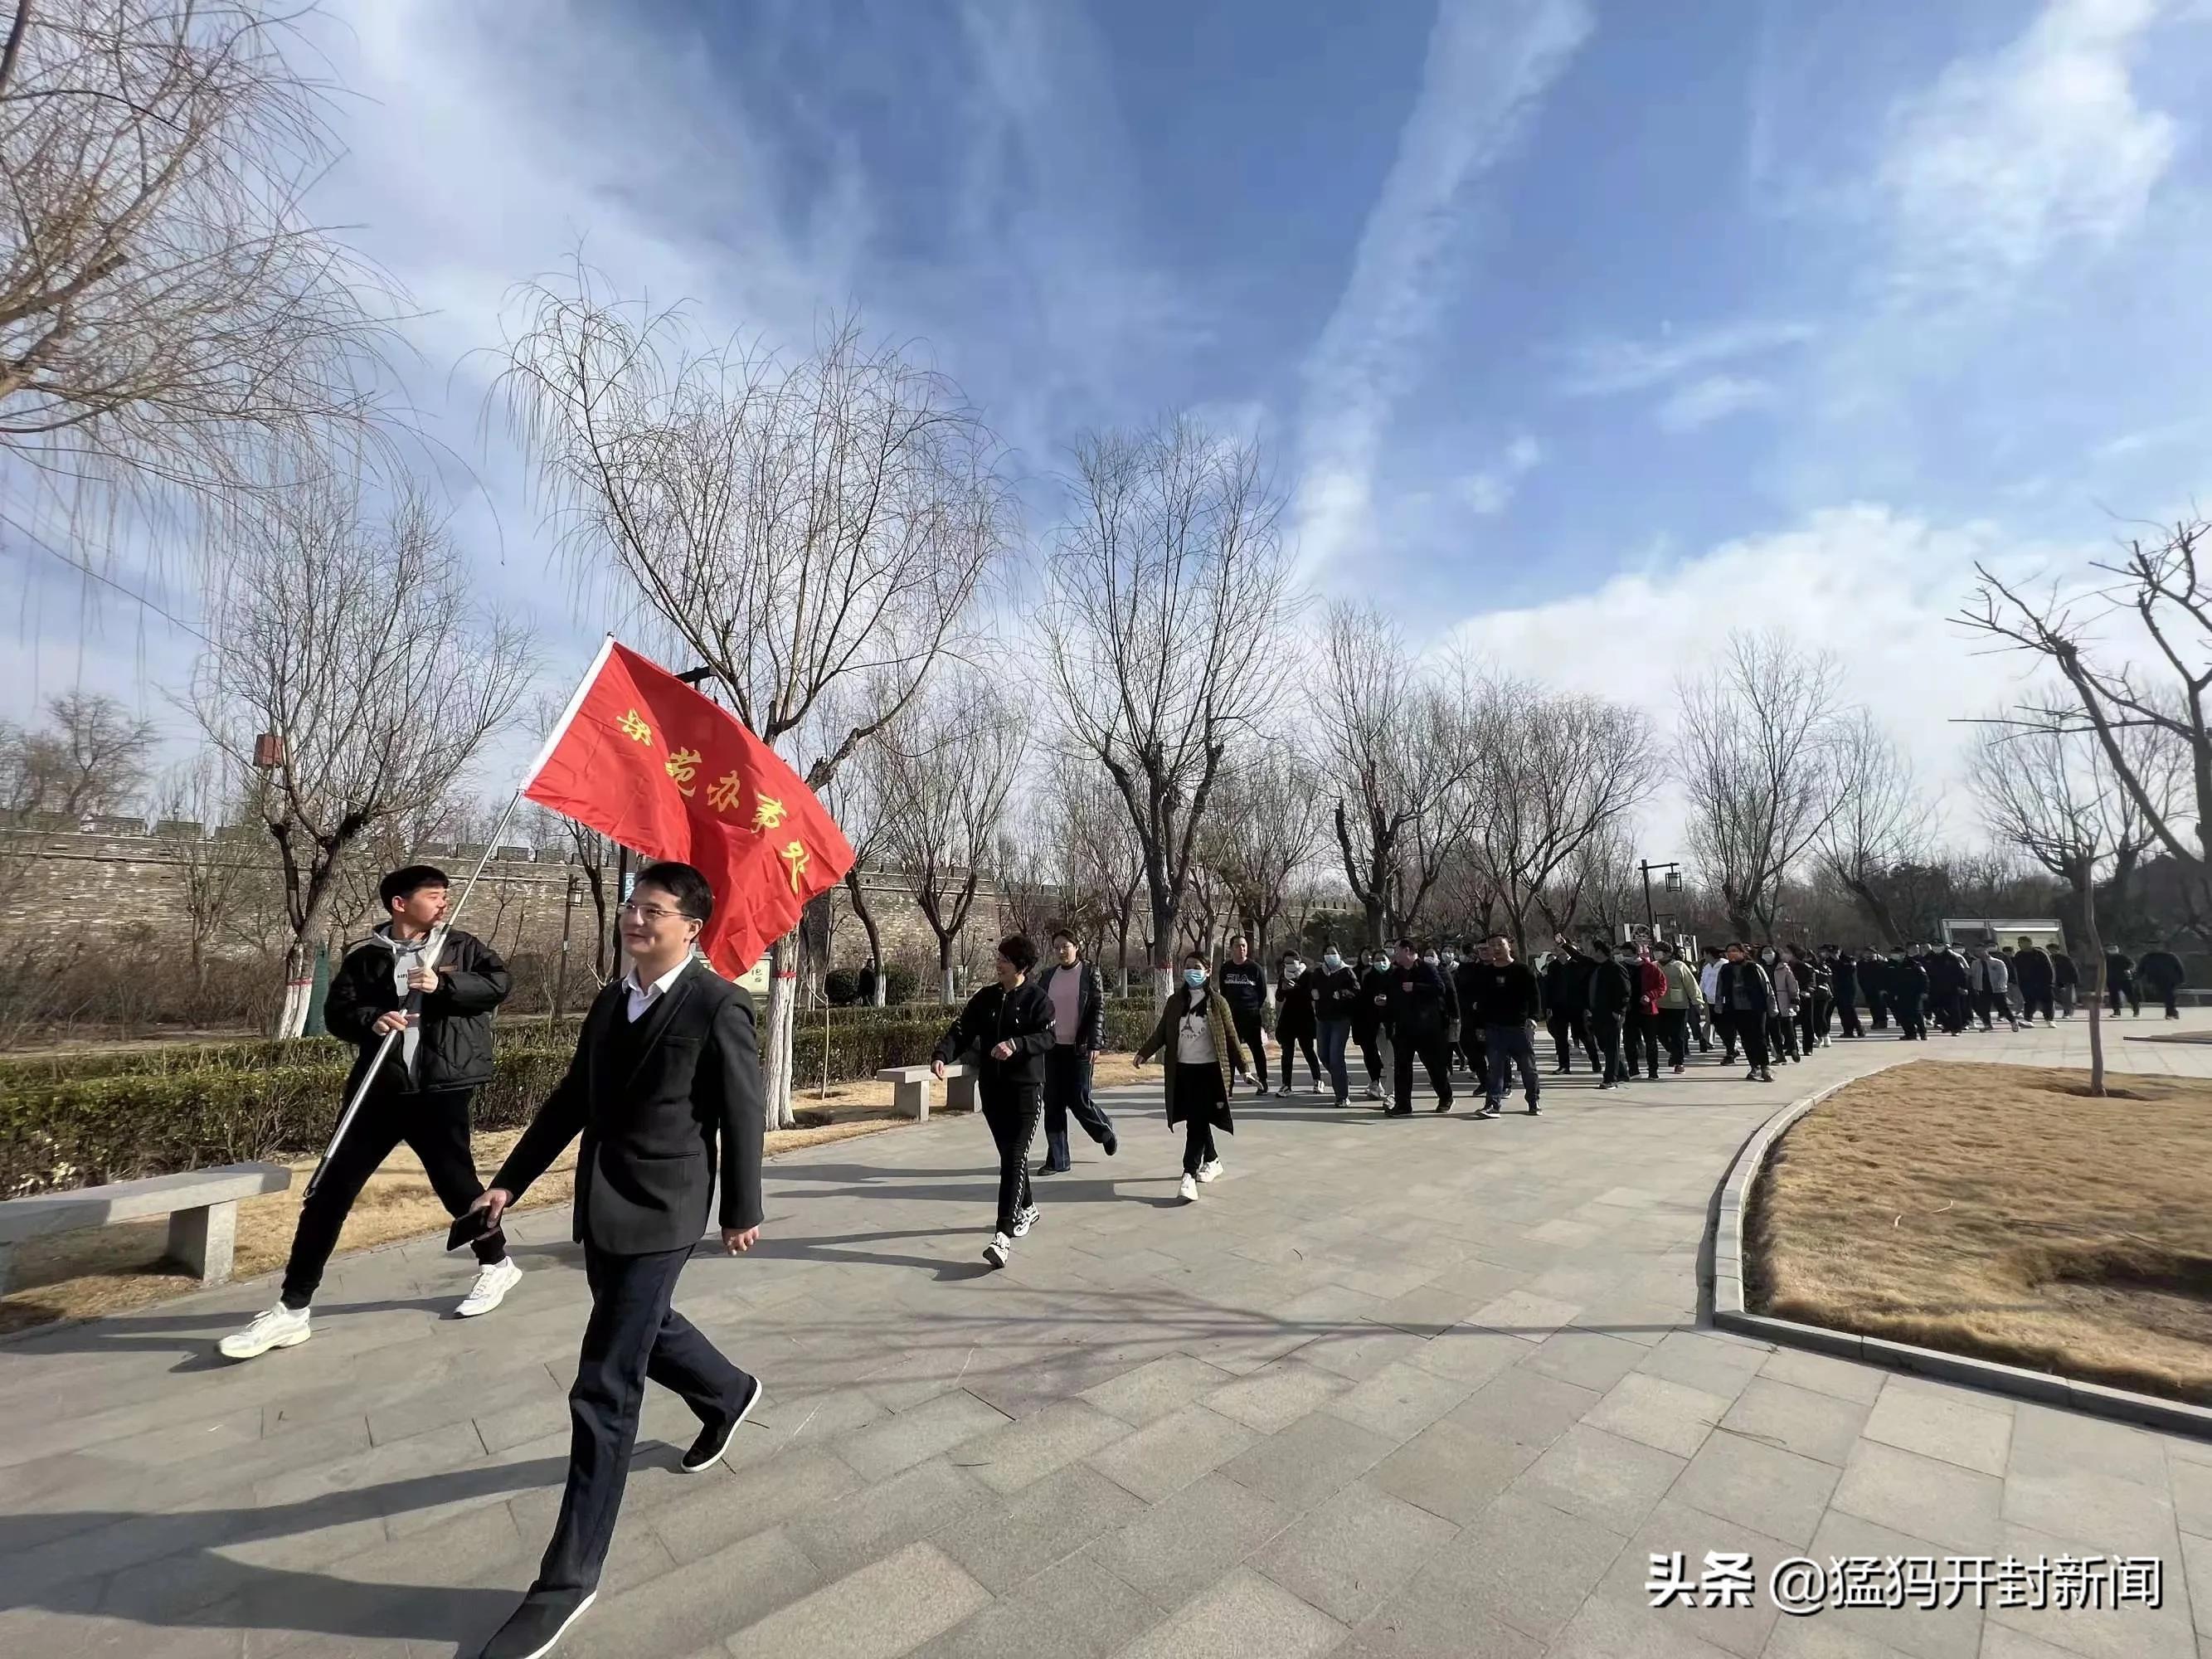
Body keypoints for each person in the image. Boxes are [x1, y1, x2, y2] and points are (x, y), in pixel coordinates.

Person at [471, 863, 763, 1659]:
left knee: (604, 1382)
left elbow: (741, 1111)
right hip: (600, 1205)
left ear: (691, 926)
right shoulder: (611, 1000)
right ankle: (729, 1392)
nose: (636, 920)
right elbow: (572, 1099)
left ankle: (566, 1581)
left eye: (654, 910)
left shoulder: (717, 1004)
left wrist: (742, 1207)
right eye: (632, 907)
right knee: (643, 1327)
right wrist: (507, 1184)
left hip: (667, 1209)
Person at [220, 866, 518, 1362]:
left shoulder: (460, 946)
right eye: (434, 896)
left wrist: (445, 986)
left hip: (440, 1088)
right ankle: (292, 1310)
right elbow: (340, 1012)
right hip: (378, 1090)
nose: (444, 903)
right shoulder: (366, 957)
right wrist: (370, 1020)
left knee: (456, 1186)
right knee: (328, 1190)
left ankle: (497, 1264)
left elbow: (498, 985)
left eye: (446, 896)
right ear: (400, 903)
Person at [934, 936, 1057, 1267]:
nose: (998, 963)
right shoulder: (986, 997)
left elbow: (1047, 1037)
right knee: (1010, 1157)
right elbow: (961, 1029)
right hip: (993, 1090)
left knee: (1015, 1157)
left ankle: (1002, 1236)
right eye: (999, 957)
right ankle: (1028, 1209)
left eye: (1005, 958)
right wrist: (942, 1055)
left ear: (1022, 966)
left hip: (1027, 1090)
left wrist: (1016, 1045)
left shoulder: (1038, 999)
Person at [1134, 951, 1250, 1202]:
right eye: (1187, 967)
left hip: (1209, 1071)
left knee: (1196, 1120)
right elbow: (1162, 1031)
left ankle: (1188, 1173)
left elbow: (1231, 1037)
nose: (1191, 972)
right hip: (1183, 1070)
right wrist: (1144, 1053)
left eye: (1197, 967)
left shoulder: (1217, 1002)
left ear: (1207, 972)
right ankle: (1212, 1159)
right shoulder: (1176, 1001)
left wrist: (1245, 1069)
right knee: (1196, 1119)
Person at [1033, 929, 1116, 1175]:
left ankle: (1104, 1130)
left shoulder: (1090, 973)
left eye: (1065, 946)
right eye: (1056, 947)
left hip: (1080, 1048)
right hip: (1052, 1048)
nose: (1060, 951)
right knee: (1053, 1103)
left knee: (1079, 1099)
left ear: (1076, 946)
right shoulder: (1048, 976)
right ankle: (1057, 1160)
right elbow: (1038, 1008)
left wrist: (1095, 1042)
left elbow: (1098, 1008)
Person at [1461, 933, 1542, 1116]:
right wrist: (1480, 1025)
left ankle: (1533, 1101)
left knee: (1528, 1068)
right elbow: (1481, 1001)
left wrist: (1534, 1018)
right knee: (1495, 1069)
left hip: (1519, 1027)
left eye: (1500, 944)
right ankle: (1492, 1105)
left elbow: (1534, 997)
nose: (1496, 948)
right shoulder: (1485, 973)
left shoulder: (1522, 970)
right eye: (1492, 945)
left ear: (1509, 946)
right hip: (1494, 1028)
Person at [1383, 938, 1454, 1115]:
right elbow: (1391, 997)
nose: (1394, 954)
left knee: (1434, 1066)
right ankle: (1403, 1105)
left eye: (1397, 950)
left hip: (1427, 1028)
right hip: (1403, 1028)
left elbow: (1440, 988)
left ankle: (1446, 1097)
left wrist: (1416, 987)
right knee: (1402, 1067)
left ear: (1407, 951)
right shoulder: (1395, 973)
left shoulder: (1426, 968)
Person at [1571, 937, 1633, 1090]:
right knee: (1604, 1045)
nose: (1591, 953)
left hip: (1612, 1014)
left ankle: (1610, 1079)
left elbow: (1625, 992)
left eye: (1594, 950)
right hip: (1596, 1013)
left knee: (1612, 1047)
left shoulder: (1615, 968)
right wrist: (1564, 945)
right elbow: (1579, 957)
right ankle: (1622, 1073)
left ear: (1600, 952)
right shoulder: (1593, 966)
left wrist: (1619, 1011)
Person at [1217, 936, 1271, 1094]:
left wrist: (1253, 1007)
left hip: (1251, 1016)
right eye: (1238, 946)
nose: (1242, 949)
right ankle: (1229, 1085)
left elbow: (1262, 992)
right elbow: (1223, 991)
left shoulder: (1255, 968)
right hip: (1231, 1017)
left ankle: (1263, 1081)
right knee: (1231, 1051)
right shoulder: (1226, 969)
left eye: (1244, 946)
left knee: (1256, 1049)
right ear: (1231, 948)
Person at [1716, 944, 1776, 1082]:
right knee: (1746, 1039)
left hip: (1756, 1007)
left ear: (1743, 953)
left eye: (1734, 951)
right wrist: (1719, 1006)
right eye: (1729, 951)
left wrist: (1772, 1007)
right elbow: (1719, 989)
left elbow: (1767, 988)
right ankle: (1754, 1066)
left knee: (1759, 1037)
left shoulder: (1754, 967)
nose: (1731, 954)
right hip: (1735, 1008)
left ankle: (1765, 1067)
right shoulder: (1725, 969)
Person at [1312, 946, 1361, 1107]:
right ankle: (1341, 1077)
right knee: (1323, 1055)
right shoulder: (1319, 973)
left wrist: (1342, 994)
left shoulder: (1346, 972)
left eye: (1333, 953)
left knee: (1336, 1056)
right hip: (1322, 1019)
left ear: (1339, 955)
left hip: (1340, 1020)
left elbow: (1356, 991)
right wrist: (1312, 993)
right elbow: (1310, 988)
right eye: (1327, 953)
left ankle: (1342, 1096)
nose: (1330, 956)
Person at [1541, 944, 1601, 1074]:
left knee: (1584, 1034)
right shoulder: (1553, 966)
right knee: (1560, 1037)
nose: (1560, 951)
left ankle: (1595, 1062)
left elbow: (1586, 985)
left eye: (1563, 949)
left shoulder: (1578, 964)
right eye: (1558, 949)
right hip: (1558, 1006)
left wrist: (1587, 1006)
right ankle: (1564, 1066)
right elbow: (1549, 987)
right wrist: (1548, 1006)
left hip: (1577, 1006)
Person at [1273, 951, 1322, 1095]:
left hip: (1304, 1017)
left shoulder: (1308, 975)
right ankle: (1286, 1085)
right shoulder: (1284, 976)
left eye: (1292, 961)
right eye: (1286, 962)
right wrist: (1283, 989)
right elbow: (1279, 997)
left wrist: (1297, 988)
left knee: (1307, 1050)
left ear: (1298, 961)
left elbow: (1312, 995)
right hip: (1288, 1018)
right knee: (1287, 1053)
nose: (1290, 964)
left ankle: (1317, 1079)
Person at [1655, 941, 1702, 1075]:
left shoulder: (1679, 966)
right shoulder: (1653, 966)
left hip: (1678, 1005)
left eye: (1660, 950)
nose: (1657, 953)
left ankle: (1679, 1062)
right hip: (1659, 1005)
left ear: (1669, 953)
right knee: (1661, 1034)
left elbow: (1691, 984)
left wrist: (1697, 1001)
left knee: (1678, 1035)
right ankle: (1673, 1052)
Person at [1622, 940, 1665, 1082]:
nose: (1623, 955)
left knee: (1651, 1042)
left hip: (1647, 1010)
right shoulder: (1620, 967)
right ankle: (1633, 1070)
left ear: (1635, 952)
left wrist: (1650, 996)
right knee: (1629, 1042)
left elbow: (1662, 986)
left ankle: (1653, 1070)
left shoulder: (1650, 968)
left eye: (1626, 952)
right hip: (1628, 1011)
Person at [1353, 948, 1393, 1101]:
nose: (1380, 963)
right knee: (1375, 1056)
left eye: (1383, 959)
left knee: (1391, 1061)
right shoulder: (1368, 978)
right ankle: (1378, 1085)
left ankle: (1392, 1093)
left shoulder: (1396, 975)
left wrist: (1389, 1001)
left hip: (1392, 1024)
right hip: (1371, 1023)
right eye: (1377, 960)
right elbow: (1362, 1000)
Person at [1765, 947, 1801, 1063]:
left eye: (1769, 952)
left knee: (1788, 1027)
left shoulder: (1783, 967)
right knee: (1774, 1030)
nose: (1767, 955)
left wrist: (1795, 1000)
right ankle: (1780, 1055)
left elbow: (1792, 984)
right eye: (1764, 953)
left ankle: (1794, 1049)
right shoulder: (1759, 968)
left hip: (1783, 1000)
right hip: (1769, 1002)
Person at [1699, 944, 1732, 1063]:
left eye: (1704, 953)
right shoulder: (1707, 966)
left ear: (1709, 954)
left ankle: (1732, 1049)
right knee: (1716, 1026)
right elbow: (1703, 982)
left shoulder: (1724, 964)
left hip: (1722, 1001)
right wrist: (1699, 994)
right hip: (1710, 1000)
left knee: (1725, 1026)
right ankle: (1730, 1047)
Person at [2014, 937, 2056, 1026]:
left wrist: (2050, 982)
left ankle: (2049, 1020)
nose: (2020, 945)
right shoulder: (2019, 955)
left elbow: (2049, 968)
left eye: (2021, 942)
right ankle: (2028, 1020)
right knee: (2029, 1001)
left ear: (2029, 943)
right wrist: (2019, 982)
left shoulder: (2040, 954)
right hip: (2026, 983)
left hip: (2043, 982)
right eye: (2019, 943)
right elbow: (2017, 970)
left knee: (2047, 1001)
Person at [1889, 947, 1930, 1040]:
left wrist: (1925, 991)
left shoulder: (1914, 964)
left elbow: (1924, 978)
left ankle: (1922, 1033)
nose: (1894, 955)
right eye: (1893, 953)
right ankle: (1910, 1033)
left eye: (1897, 953)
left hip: (1915, 993)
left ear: (1904, 954)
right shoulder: (1891, 964)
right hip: (1900, 993)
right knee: (1903, 1014)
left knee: (1917, 1014)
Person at [2139, 943, 2186, 1019]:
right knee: (2166, 996)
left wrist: (2182, 979)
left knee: (2169, 995)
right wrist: (2137, 977)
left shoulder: (2170, 956)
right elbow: (2141, 968)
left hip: (2171, 979)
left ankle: (2170, 1013)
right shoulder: (2148, 957)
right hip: (2156, 980)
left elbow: (2179, 968)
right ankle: (2173, 1012)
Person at [1831, 947, 1864, 1039]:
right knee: (1842, 1011)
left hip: (1849, 988)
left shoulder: (1849, 959)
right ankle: (1848, 1031)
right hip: (1837, 988)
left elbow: (1851, 970)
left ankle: (1859, 1028)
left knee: (1849, 1008)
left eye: (1836, 952)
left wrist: (1838, 961)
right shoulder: (1829, 961)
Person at [2105, 948, 2141, 1017]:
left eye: (2113, 949)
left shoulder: (2122, 957)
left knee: (2130, 995)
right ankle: (2116, 1012)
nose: (2111, 951)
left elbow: (2132, 964)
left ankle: (2136, 1010)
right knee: (2114, 996)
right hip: (2112, 979)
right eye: (2110, 949)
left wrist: (2130, 970)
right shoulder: (2107, 959)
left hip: (2124, 979)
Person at [2052, 945, 2079, 1019]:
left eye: (2053, 950)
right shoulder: (2050, 958)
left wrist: (2075, 980)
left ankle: (2067, 1013)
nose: (2052, 951)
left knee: (2068, 998)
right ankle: (2069, 1009)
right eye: (2050, 950)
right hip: (2056, 981)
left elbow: (2073, 969)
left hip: (2067, 981)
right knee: (2057, 996)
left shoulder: (2065, 959)